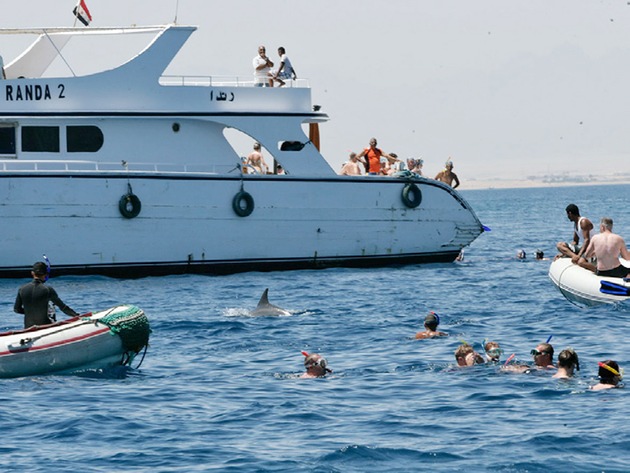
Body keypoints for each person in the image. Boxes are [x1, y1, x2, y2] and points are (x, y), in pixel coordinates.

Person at [14, 261, 80, 328]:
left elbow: (16, 309)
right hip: (46, 327)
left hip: (28, 328)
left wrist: (30, 312)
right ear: (45, 274)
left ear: (32, 273)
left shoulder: (22, 289)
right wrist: (77, 316)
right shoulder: (48, 290)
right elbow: (63, 308)